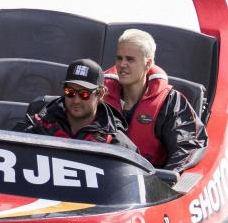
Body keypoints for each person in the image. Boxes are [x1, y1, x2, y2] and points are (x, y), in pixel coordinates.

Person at [103, 29, 207, 172]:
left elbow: (188, 146)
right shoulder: (98, 94)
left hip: (148, 184)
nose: (122, 65)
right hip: (99, 178)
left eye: (130, 59)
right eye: (119, 58)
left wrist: (163, 183)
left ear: (148, 63)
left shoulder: (170, 102)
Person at [18, 59, 136, 150]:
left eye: (84, 94)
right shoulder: (39, 124)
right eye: (70, 92)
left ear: (100, 94)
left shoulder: (116, 143)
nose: (76, 100)